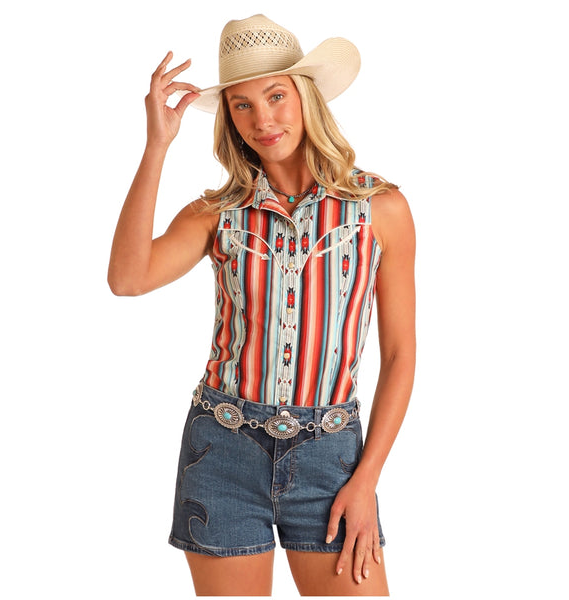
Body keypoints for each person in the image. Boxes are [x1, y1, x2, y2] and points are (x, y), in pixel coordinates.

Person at [108, 14, 415, 597]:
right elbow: (127, 278)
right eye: (242, 105)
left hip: (331, 458)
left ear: (306, 96)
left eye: (276, 96)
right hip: (222, 449)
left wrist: (366, 479)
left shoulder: (380, 209)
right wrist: (157, 145)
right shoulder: (217, 214)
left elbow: (400, 354)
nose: (262, 120)